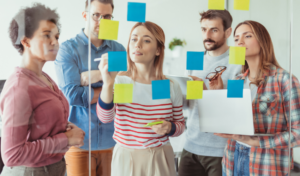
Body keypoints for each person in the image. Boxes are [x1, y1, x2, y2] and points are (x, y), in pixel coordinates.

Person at [0, 3, 84, 176]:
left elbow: (40, 122)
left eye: (57, 36)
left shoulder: (44, 77)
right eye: (47, 36)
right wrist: (65, 139)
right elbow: (12, 154)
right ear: (25, 41)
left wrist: (65, 127)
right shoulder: (19, 87)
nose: (55, 42)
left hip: (54, 168)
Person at [96, 21, 185, 176]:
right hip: (126, 157)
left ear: (158, 50)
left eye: (146, 40)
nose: (137, 44)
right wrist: (108, 84)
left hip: (160, 156)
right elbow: (105, 118)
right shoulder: (120, 81)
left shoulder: (170, 86)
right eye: (134, 39)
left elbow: (180, 126)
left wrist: (170, 128)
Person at [215, 20, 300, 176]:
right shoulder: (237, 80)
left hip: (265, 163)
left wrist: (254, 141)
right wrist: (217, 93)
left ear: (262, 41)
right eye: (236, 38)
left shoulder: (285, 80)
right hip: (232, 158)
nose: (239, 41)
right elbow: (231, 122)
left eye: (247, 36)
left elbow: (297, 133)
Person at [54, 0, 125, 175]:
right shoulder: (67, 50)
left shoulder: (119, 50)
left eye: (107, 16)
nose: (101, 21)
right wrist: (108, 82)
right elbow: (72, 96)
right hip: (80, 143)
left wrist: (94, 76)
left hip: (113, 141)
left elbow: (125, 92)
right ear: (85, 15)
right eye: (96, 15)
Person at [179, 10, 241, 176]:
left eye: (214, 30)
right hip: (190, 146)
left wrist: (208, 93)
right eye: (203, 29)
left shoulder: (238, 62)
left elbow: (237, 109)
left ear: (228, 32)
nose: (207, 35)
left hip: (220, 151)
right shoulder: (194, 59)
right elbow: (188, 104)